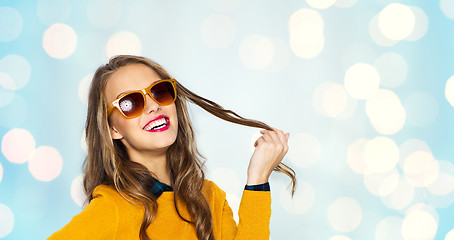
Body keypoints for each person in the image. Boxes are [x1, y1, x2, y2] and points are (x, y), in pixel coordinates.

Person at [48, 55, 296, 240]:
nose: (153, 106)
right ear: (112, 129)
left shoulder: (209, 198)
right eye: (130, 103)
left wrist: (257, 180)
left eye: (160, 91)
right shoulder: (113, 208)